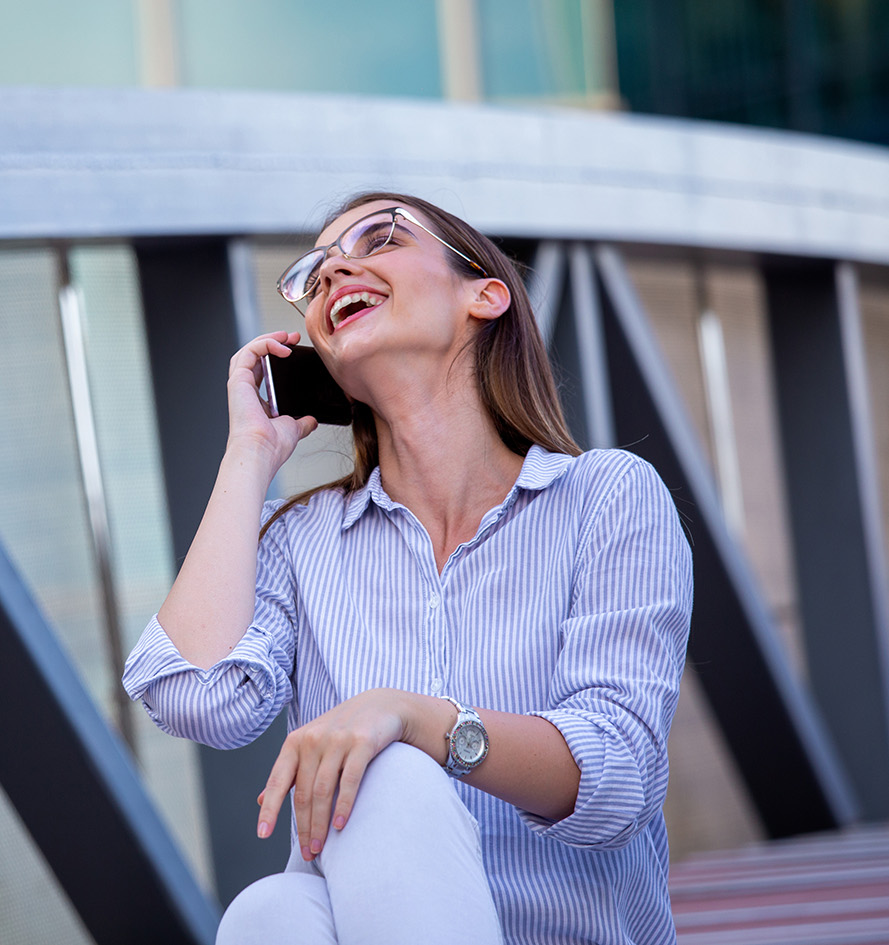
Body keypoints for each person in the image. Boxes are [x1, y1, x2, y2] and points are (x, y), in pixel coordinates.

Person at [122, 191, 693, 944]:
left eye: (379, 238)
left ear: (483, 294)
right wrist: (248, 454)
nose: (332, 273)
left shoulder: (605, 498)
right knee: (270, 913)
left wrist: (421, 720)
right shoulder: (299, 540)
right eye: (312, 273)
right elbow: (197, 698)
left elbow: (619, 776)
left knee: (386, 768)